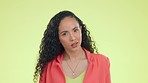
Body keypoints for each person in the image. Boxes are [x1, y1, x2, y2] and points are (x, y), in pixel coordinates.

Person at [33, 10, 111, 83]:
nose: (72, 38)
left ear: (81, 30)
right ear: (58, 38)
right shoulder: (48, 68)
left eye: (75, 30)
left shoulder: (102, 62)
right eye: (64, 34)